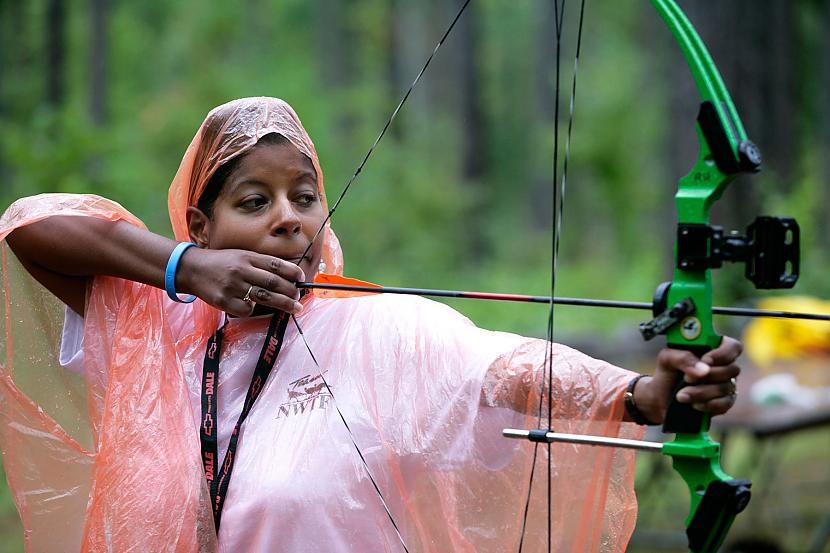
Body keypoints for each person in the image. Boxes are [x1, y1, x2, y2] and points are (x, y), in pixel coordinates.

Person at [0, 97, 741, 552]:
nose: (289, 218)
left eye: (305, 196)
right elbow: (30, 226)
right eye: (254, 201)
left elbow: (499, 371)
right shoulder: (154, 329)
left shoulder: (375, 332)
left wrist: (646, 394)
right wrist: (185, 269)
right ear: (202, 221)